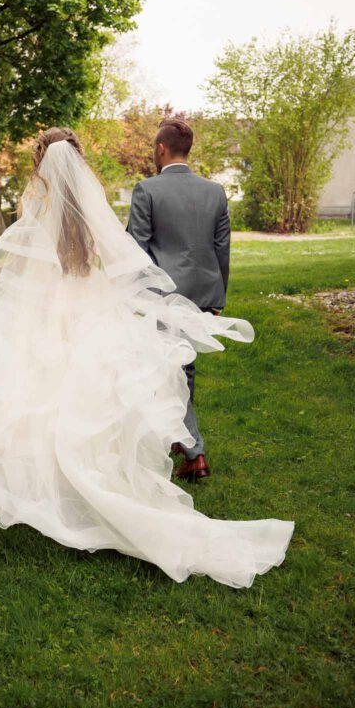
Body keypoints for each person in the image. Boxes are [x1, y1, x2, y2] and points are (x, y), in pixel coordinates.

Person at [0, 128, 293, 587]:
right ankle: (85, 477)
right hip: (87, 308)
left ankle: (40, 484)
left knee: (31, 390)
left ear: (41, 163)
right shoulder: (93, 213)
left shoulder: (38, 204)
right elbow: (115, 262)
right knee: (84, 396)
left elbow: (25, 263)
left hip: (47, 311)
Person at [127, 117, 230, 481]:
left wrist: (132, 296)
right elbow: (221, 248)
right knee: (181, 367)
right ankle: (180, 440)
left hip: (163, 296)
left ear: (160, 149)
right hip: (203, 292)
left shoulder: (147, 190)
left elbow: (136, 249)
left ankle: (194, 451)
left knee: (174, 369)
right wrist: (218, 296)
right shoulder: (215, 191)